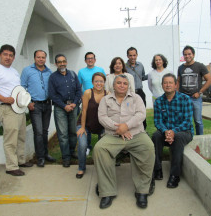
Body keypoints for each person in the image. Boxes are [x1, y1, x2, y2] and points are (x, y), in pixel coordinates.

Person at [94, 74, 155, 209]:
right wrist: (119, 128)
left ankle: (142, 190)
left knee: (148, 147)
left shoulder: (136, 98)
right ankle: (107, 192)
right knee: (100, 149)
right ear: (113, 85)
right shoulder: (105, 99)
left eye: (125, 83)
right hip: (113, 135)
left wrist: (126, 126)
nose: (122, 85)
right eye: (119, 83)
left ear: (128, 86)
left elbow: (141, 114)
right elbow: (102, 117)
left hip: (135, 134)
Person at [0, 44, 33, 176]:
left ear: (13, 57)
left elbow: (18, 91)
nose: (8, 57)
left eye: (11, 55)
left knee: (21, 136)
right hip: (7, 109)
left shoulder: (14, 71)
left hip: (19, 109)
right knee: (10, 139)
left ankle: (20, 160)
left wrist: (26, 103)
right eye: (5, 54)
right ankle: (11, 166)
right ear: (0, 55)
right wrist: (4, 99)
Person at [152, 73, 194, 188]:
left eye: (170, 82)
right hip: (166, 131)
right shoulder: (159, 101)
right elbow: (158, 122)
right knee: (155, 136)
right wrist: (166, 131)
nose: (168, 85)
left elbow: (187, 122)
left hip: (184, 132)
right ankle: (157, 169)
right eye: (165, 82)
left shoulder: (185, 99)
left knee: (178, 138)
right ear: (162, 85)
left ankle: (175, 175)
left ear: (176, 85)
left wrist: (173, 132)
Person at [20, 50, 56, 167]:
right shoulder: (27, 71)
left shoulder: (49, 72)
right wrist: (28, 103)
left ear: (45, 58)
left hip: (47, 104)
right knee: (39, 132)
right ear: (34, 58)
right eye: (38, 57)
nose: (41, 59)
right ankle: (40, 157)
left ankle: (45, 154)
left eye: (43, 57)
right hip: (35, 105)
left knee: (45, 131)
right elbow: (21, 88)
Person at [49, 54, 81, 168]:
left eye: (64, 61)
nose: (62, 63)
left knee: (73, 131)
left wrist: (75, 103)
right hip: (60, 108)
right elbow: (52, 95)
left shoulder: (73, 74)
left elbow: (78, 90)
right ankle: (66, 157)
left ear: (66, 62)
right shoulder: (53, 77)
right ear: (56, 64)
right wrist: (64, 106)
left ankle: (72, 152)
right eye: (59, 62)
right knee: (63, 134)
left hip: (73, 106)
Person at [76, 72, 106, 179]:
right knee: (83, 145)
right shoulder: (88, 92)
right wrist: (83, 127)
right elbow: (83, 111)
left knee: (103, 147)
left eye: (101, 81)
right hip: (85, 124)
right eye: (96, 81)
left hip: (101, 126)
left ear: (104, 82)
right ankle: (81, 168)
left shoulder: (108, 94)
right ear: (92, 82)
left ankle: (103, 167)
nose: (99, 83)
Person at [177, 45, 211, 135]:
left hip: (195, 98)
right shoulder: (180, 68)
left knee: (198, 121)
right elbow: (178, 82)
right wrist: (177, 95)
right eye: (185, 54)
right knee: (185, 120)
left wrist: (200, 92)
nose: (187, 56)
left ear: (193, 54)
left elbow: (209, 80)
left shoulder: (200, 66)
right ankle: (188, 137)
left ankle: (200, 140)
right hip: (183, 98)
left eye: (189, 54)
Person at [77, 52, 106, 155]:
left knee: (100, 120)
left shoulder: (100, 70)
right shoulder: (81, 72)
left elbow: (103, 84)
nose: (90, 60)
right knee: (88, 120)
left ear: (95, 59)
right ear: (85, 60)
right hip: (88, 98)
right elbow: (78, 85)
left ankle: (101, 145)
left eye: (92, 58)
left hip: (99, 98)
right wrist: (82, 96)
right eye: (88, 58)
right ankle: (88, 146)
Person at [125, 47, 148, 129]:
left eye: (134, 55)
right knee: (130, 112)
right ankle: (131, 129)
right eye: (130, 55)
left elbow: (142, 77)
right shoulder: (124, 66)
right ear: (127, 56)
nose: (132, 57)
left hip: (140, 92)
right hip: (129, 93)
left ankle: (143, 129)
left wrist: (152, 75)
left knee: (142, 111)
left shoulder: (140, 65)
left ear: (137, 55)